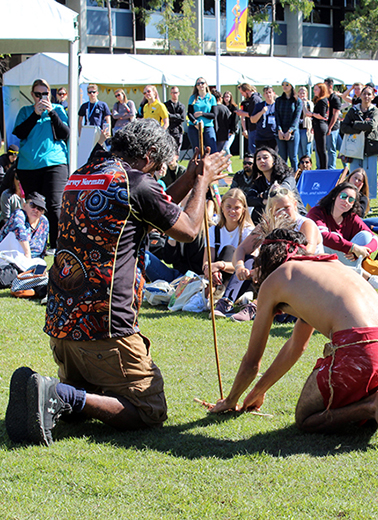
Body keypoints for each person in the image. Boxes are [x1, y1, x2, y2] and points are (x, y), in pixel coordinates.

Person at [5, 119, 229, 446]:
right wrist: (203, 181)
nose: (158, 177)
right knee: (149, 409)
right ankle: (60, 394)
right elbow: (188, 229)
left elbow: (155, 208)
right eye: (160, 170)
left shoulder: (82, 175)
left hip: (62, 327)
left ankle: (55, 393)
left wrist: (188, 178)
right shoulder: (135, 183)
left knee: (99, 395)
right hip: (106, 330)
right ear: (149, 155)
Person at [209, 228, 378, 451]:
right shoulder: (333, 266)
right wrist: (258, 391)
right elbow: (295, 346)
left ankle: (373, 405)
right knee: (359, 386)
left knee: (306, 418)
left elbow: (252, 362)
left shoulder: (277, 278)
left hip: (361, 353)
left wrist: (230, 401)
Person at [215, 186, 323, 322]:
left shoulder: (306, 225)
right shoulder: (268, 224)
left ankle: (255, 305)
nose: (283, 212)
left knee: (284, 269)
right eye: (278, 210)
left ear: (295, 205)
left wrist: (263, 270)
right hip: (278, 274)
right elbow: (241, 249)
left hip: (305, 274)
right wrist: (239, 267)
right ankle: (227, 301)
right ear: (271, 211)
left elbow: (306, 254)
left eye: (286, 207)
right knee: (248, 260)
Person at [13, 78, 69, 251]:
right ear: (32, 95)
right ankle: (35, 245)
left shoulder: (58, 109)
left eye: (45, 94)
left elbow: (65, 133)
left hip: (55, 162)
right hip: (29, 165)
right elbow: (19, 133)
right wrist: (35, 115)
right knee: (34, 206)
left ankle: (57, 245)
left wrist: (52, 113)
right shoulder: (25, 111)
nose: (41, 97)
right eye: (38, 94)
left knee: (54, 204)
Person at [307, 182, 378, 290]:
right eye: (343, 196)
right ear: (334, 196)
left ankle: (355, 275)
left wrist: (361, 252)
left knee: (365, 236)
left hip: (344, 258)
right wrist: (353, 247)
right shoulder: (317, 212)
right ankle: (367, 277)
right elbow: (324, 236)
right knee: (334, 235)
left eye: (351, 200)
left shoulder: (351, 217)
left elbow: (374, 238)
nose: (346, 201)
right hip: (318, 258)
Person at [203, 188, 254, 300]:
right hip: (217, 276)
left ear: (244, 210)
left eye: (237, 208)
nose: (232, 211)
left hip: (239, 277)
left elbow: (248, 263)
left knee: (230, 250)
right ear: (222, 207)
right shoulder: (213, 230)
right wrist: (212, 269)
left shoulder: (248, 231)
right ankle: (215, 293)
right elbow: (207, 261)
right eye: (228, 207)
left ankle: (225, 294)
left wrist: (221, 265)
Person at [340, 85, 378, 200]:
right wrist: (361, 125)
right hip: (355, 148)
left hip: (371, 147)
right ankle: (353, 198)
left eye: (369, 94)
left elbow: (372, 126)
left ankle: (368, 200)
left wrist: (354, 124)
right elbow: (344, 127)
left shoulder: (375, 110)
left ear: (373, 96)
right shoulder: (353, 110)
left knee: (370, 176)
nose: (366, 96)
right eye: (364, 94)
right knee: (354, 175)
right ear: (360, 95)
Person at [0, 192, 48, 288]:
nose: (35, 210)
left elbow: (42, 249)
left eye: (40, 208)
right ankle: (26, 276)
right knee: (13, 237)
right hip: (7, 257)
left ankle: (30, 277)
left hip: (27, 263)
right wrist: (27, 255)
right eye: (32, 205)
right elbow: (20, 232)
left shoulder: (44, 222)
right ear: (24, 205)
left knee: (42, 264)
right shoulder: (19, 214)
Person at [247, 146, 305, 224]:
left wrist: (262, 194)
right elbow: (248, 199)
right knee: (257, 210)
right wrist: (264, 201)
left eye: (265, 157)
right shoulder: (259, 182)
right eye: (258, 159)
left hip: (294, 216)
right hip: (274, 218)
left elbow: (280, 192)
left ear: (274, 160)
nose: (262, 161)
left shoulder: (287, 177)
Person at [274, 79, 303, 170]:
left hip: (292, 132)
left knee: (293, 157)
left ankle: (295, 178)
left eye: (287, 84)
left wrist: (290, 131)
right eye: (283, 84)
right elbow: (277, 116)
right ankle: (283, 176)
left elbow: (296, 118)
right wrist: (279, 130)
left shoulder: (297, 101)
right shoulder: (278, 100)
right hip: (281, 132)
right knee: (282, 157)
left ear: (291, 86)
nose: (284, 86)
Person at [187, 77, 217, 154]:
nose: (201, 85)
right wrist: (195, 122)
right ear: (196, 86)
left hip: (208, 126)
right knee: (197, 150)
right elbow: (189, 113)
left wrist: (202, 114)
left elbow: (214, 115)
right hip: (194, 126)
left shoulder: (211, 98)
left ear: (206, 85)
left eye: (202, 83)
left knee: (212, 148)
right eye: (198, 84)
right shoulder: (193, 98)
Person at [236, 83, 263, 154]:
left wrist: (242, 113)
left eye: (243, 93)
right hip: (253, 128)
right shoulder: (253, 99)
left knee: (253, 151)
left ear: (247, 90)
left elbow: (253, 115)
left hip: (256, 128)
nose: (242, 95)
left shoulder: (255, 99)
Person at [251, 86, 278, 151]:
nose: (268, 94)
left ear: (273, 93)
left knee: (273, 157)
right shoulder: (259, 106)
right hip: (261, 137)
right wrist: (261, 112)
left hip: (274, 136)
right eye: (266, 93)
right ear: (264, 95)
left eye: (270, 92)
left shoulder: (278, 105)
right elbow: (252, 120)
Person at [324, 78, 342, 169]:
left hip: (333, 127)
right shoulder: (325, 97)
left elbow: (335, 114)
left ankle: (332, 168)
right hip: (328, 126)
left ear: (330, 86)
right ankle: (346, 167)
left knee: (331, 149)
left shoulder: (334, 98)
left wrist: (330, 127)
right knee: (341, 148)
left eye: (325, 85)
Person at [311, 83, 329, 170]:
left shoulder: (323, 101)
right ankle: (322, 167)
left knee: (322, 149)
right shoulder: (318, 100)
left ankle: (324, 168)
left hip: (321, 125)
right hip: (317, 125)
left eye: (316, 89)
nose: (314, 91)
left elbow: (322, 115)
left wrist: (311, 114)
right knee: (319, 149)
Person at [165, 86, 186, 152]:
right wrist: (177, 116)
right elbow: (165, 116)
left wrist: (171, 115)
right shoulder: (166, 105)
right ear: (170, 94)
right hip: (169, 130)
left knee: (177, 149)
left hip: (178, 131)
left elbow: (182, 118)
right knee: (169, 148)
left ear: (178, 93)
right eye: (173, 93)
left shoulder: (181, 106)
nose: (174, 94)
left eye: (176, 93)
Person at [222, 91, 239, 162]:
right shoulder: (222, 107)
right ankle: (225, 164)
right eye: (225, 97)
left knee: (226, 147)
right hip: (223, 130)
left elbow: (236, 119)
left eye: (228, 96)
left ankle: (229, 163)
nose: (226, 98)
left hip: (231, 130)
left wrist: (232, 130)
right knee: (222, 149)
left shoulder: (234, 107)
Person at [298, 87, 314, 161]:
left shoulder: (309, 103)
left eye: (303, 93)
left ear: (306, 94)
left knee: (306, 149)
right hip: (298, 128)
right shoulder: (296, 103)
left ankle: (307, 165)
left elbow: (307, 113)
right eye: (300, 93)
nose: (302, 95)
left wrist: (303, 103)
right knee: (299, 150)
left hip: (306, 128)